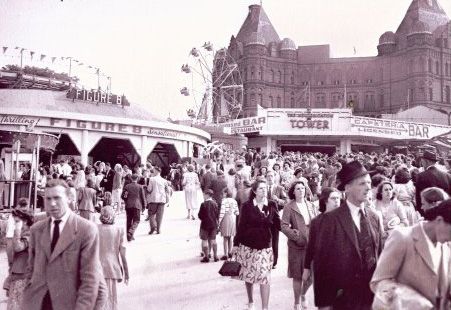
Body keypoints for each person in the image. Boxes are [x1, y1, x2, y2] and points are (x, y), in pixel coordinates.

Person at [22, 179, 105, 310]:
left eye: (57, 198)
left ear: (69, 198)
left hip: (68, 304)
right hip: (37, 303)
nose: (52, 204)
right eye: (48, 199)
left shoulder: (86, 230)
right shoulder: (36, 230)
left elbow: (90, 280)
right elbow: (30, 269)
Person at [314, 161, 383, 309]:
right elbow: (322, 266)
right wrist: (324, 304)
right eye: (362, 183)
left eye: (369, 183)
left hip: (371, 298)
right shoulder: (330, 220)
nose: (368, 187)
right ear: (347, 188)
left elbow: (380, 255)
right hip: (343, 299)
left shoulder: (374, 217)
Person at [370, 200, 451, 309]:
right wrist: (413, 301)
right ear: (439, 220)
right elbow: (379, 283)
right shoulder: (402, 237)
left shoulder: (446, 247)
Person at [233, 180, 280, 310]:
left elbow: (278, 223)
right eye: (260, 188)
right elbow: (241, 226)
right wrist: (236, 244)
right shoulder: (246, 206)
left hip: (265, 247)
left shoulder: (271, 204)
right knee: (249, 276)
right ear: (254, 191)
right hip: (248, 246)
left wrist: (293, 232)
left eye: (265, 188)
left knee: (264, 277)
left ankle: (265, 308)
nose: (264, 190)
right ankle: (251, 301)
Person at [281, 180, 319, 310]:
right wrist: (295, 237)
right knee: (297, 275)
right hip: (296, 246)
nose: (301, 190)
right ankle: (297, 302)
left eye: (303, 188)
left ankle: (303, 294)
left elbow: (317, 222)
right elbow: (284, 226)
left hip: (312, 245)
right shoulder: (289, 206)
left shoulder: (311, 205)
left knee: (311, 275)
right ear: (293, 191)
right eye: (298, 188)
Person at [303, 187, 342, 310]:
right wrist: (306, 267)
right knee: (324, 305)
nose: (337, 201)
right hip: (322, 269)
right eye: (333, 198)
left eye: (338, 198)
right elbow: (311, 247)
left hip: (342, 268)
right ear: (325, 200)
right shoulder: (317, 222)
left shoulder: (345, 220)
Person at [98, 206, 129, 310]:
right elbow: (123, 254)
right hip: (112, 268)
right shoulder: (119, 230)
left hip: (97, 269)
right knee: (112, 298)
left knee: (99, 299)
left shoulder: (95, 228)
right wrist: (126, 273)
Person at [6, 208, 33, 310]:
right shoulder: (22, 234)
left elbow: (18, 247)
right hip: (17, 273)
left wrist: (17, 230)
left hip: (23, 275)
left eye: (17, 221)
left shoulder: (29, 234)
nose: (15, 224)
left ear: (25, 221)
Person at [415, 150, 451, 214]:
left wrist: (420, 212)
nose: (422, 163)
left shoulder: (421, 176)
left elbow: (418, 199)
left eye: (422, 161)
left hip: (429, 213)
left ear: (427, 161)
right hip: (445, 212)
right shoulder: (447, 176)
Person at [265, 170, 287, 269]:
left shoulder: (279, 188)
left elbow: (286, 201)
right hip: (264, 218)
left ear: (275, 177)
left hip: (275, 218)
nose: (270, 178)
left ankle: (274, 261)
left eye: (271, 176)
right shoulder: (263, 188)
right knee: (265, 239)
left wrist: (278, 200)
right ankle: (265, 260)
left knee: (274, 240)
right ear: (266, 177)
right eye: (268, 176)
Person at [146, 166, 171, 235]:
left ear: (157, 171)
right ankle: (158, 229)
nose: (153, 172)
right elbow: (167, 190)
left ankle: (153, 227)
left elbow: (149, 189)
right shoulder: (164, 180)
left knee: (151, 214)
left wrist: (146, 189)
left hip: (153, 199)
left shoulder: (152, 179)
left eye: (153, 171)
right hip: (162, 199)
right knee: (160, 215)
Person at [122, 174, 146, 242]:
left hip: (128, 205)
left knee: (129, 220)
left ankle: (129, 236)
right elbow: (142, 197)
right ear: (137, 179)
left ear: (131, 178)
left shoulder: (127, 186)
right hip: (137, 205)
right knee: (137, 220)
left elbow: (123, 196)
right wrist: (144, 205)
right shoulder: (140, 187)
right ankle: (131, 231)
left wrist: (126, 201)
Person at [198, 189, 219, 262]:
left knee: (204, 241)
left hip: (205, 225)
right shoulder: (215, 203)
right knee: (213, 240)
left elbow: (200, 215)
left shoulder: (203, 204)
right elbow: (217, 214)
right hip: (213, 225)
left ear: (207, 195)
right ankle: (215, 256)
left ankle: (206, 257)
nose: (203, 196)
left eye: (204, 194)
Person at [218, 188, 239, 260]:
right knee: (230, 236)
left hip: (226, 218)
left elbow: (222, 212)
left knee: (225, 237)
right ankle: (230, 252)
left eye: (223, 193)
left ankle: (225, 254)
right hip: (233, 218)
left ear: (226, 193)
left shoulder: (224, 201)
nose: (222, 195)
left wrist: (219, 221)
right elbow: (237, 212)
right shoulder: (234, 201)